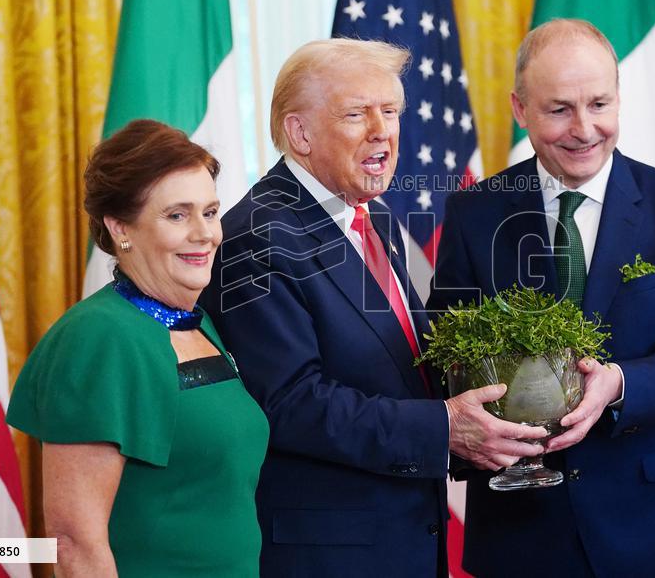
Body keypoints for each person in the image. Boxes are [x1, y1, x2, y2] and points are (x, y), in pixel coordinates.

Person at [200, 38, 547, 577]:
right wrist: (442, 428)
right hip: (330, 552)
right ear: (300, 133)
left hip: (399, 536)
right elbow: (290, 403)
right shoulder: (257, 236)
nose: (382, 130)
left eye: (390, 111)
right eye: (357, 114)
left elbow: (399, 368)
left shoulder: (371, 217)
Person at [427, 19, 655, 577]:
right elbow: (446, 358)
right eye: (559, 109)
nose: (584, 128)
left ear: (619, 98)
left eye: (599, 104)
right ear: (520, 110)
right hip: (523, 532)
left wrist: (619, 383)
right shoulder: (474, 214)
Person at [6, 119, 268, 577]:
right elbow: (73, 542)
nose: (205, 234)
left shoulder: (198, 323)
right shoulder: (99, 337)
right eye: (177, 215)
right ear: (120, 227)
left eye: (210, 212)